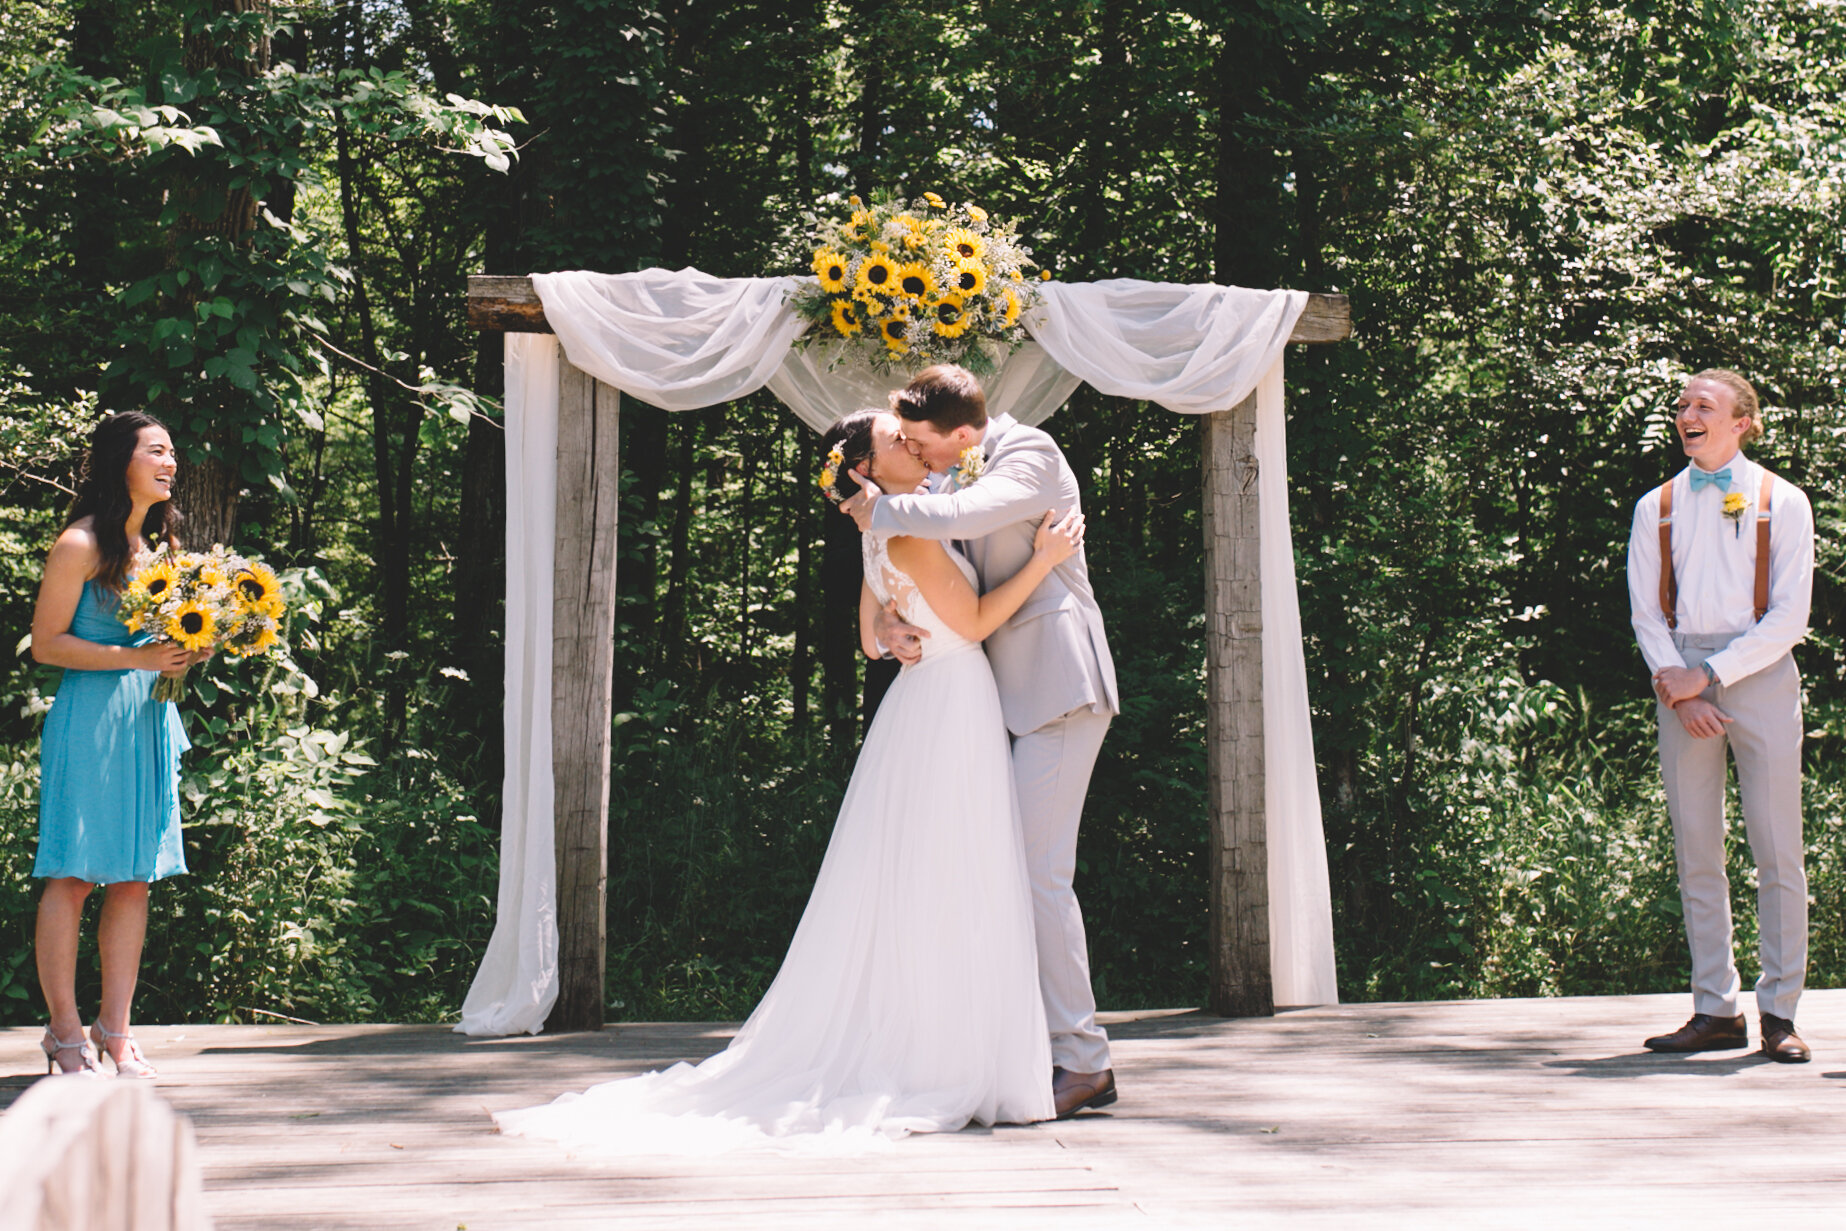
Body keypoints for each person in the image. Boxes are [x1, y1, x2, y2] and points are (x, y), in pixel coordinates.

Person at [496, 409, 1083, 1151]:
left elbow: (876, 611)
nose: (911, 442)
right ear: (866, 471)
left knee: (925, 879)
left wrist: (880, 633)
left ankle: (943, 1038)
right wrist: (1044, 559)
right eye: (897, 442)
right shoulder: (905, 528)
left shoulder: (886, 526)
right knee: (955, 875)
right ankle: (955, 1051)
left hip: (926, 706)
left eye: (909, 434)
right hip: (951, 703)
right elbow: (969, 624)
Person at [841, 365, 1120, 1119]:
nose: (918, 454)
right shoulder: (936, 478)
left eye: (924, 443)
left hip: (1059, 683)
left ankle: (1085, 1060)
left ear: (963, 435)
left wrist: (882, 507)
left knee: (1038, 874)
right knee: (1005, 872)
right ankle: (1027, 1046)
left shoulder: (1029, 455)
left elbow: (953, 518)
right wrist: (884, 627)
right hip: (1004, 691)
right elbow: (903, 569)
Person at [1626, 369, 1815, 1062]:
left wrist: (1709, 676)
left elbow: (1790, 616)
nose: (1685, 414)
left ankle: (1779, 1010)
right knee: (1697, 847)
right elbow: (1646, 612)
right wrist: (1680, 687)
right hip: (1679, 676)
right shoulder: (1658, 506)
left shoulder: (1782, 500)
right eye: (1681, 406)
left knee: (1777, 849)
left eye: (1702, 405)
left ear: (1743, 422)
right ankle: (1716, 1007)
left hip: (1759, 674)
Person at [30, 411, 202, 1078]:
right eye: (157, 449)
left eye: (173, 451)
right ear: (119, 460)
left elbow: (161, 644)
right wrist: (137, 658)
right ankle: (65, 1031)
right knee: (72, 875)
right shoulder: (78, 542)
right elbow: (48, 643)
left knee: (134, 877)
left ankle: (116, 1027)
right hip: (91, 718)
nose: (171, 461)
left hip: (147, 720)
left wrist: (187, 649)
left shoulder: (160, 549)